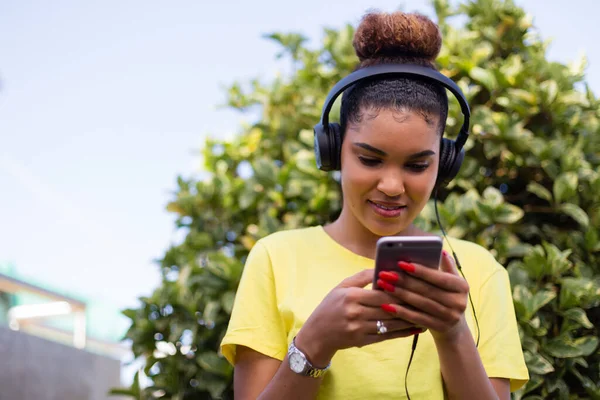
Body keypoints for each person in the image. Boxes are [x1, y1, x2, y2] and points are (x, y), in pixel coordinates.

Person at [220, 10, 529, 400]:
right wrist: (314, 345)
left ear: (445, 163)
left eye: (418, 165)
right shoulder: (275, 258)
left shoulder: (478, 273)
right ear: (333, 150)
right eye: (370, 159)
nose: (391, 185)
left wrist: (452, 331)